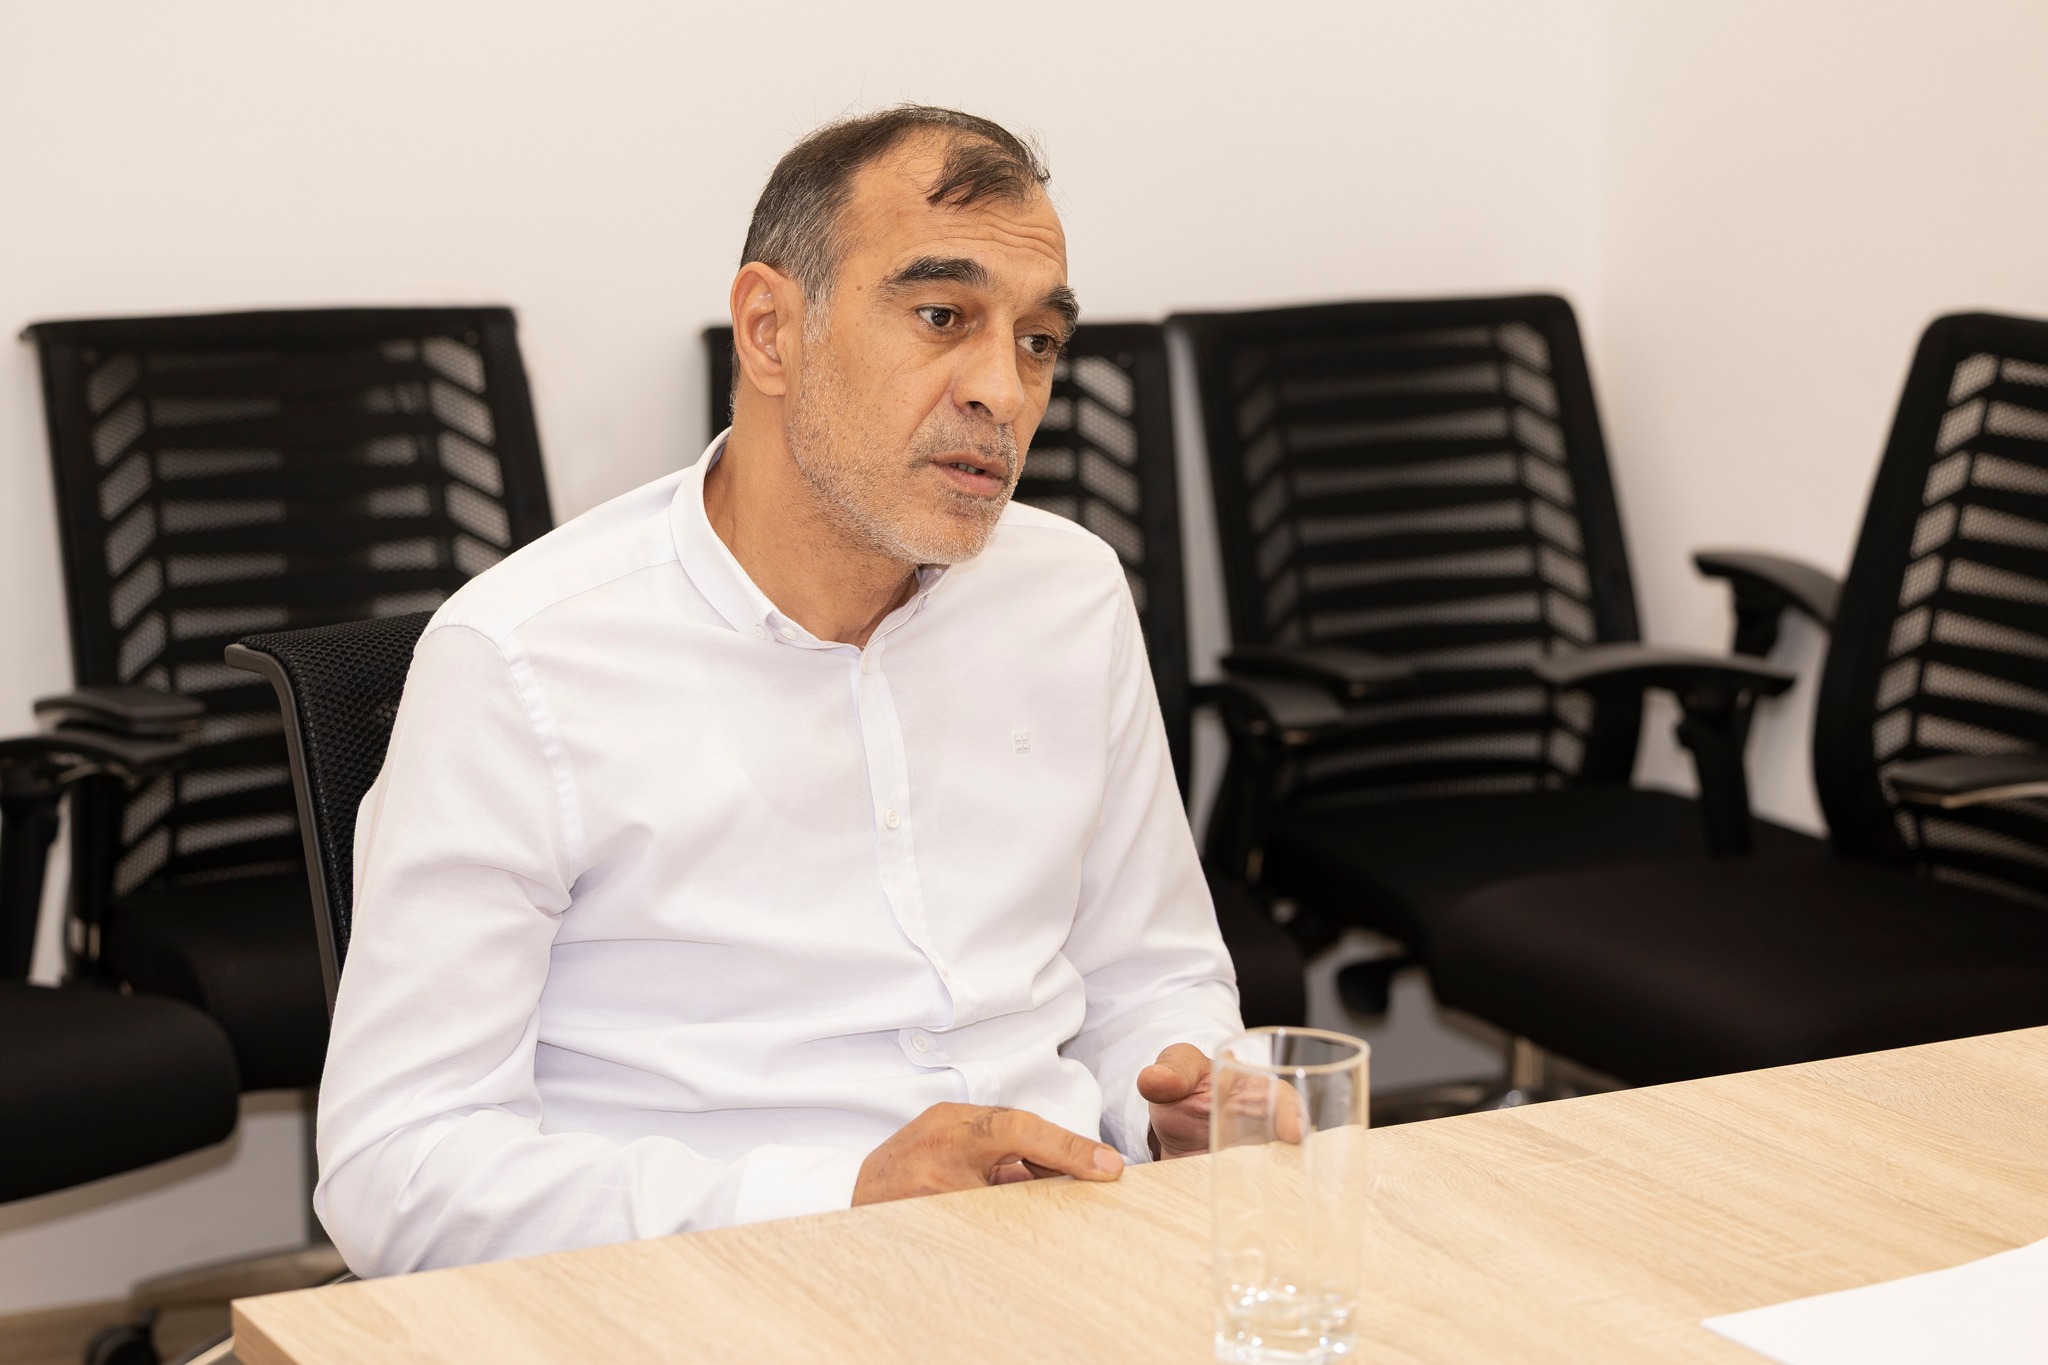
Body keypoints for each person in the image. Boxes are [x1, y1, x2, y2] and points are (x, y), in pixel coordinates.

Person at [313, 105, 1242, 1277]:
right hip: (707, 1294)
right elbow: (397, 1169)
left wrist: (1182, 1096)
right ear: (769, 331)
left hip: (1063, 1255)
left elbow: (1150, 974)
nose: (1003, 392)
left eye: (1037, 341)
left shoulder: (1070, 592)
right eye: (941, 316)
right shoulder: (520, 659)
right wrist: (836, 1199)